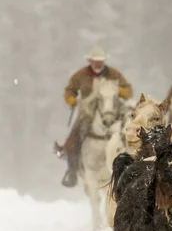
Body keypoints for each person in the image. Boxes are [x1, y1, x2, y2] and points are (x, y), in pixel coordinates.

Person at [56, 46, 133, 188]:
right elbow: (70, 90)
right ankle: (72, 168)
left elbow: (128, 89)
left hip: (111, 109)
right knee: (76, 134)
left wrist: (121, 91)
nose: (98, 64)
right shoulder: (80, 75)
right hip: (88, 110)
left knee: (128, 129)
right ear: (90, 61)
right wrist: (71, 99)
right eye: (95, 61)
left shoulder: (113, 74)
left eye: (100, 61)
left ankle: (132, 159)